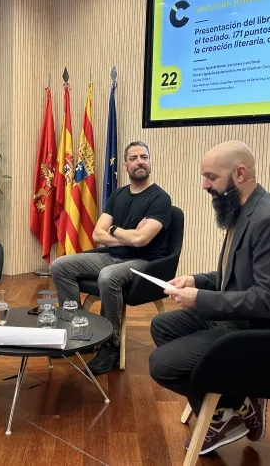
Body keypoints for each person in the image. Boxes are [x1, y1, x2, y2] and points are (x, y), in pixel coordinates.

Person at [148, 140, 270, 456]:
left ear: (239, 173)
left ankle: (229, 407)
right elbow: (235, 275)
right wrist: (197, 281)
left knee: (162, 365)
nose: (204, 185)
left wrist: (200, 299)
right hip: (243, 316)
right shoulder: (243, 209)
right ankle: (234, 406)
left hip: (264, 331)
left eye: (211, 177)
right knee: (162, 328)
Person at [50, 141, 172, 375]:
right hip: (111, 256)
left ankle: (110, 345)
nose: (140, 162)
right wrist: (126, 234)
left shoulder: (160, 199)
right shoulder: (119, 195)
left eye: (144, 157)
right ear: (125, 165)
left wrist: (114, 230)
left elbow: (141, 242)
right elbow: (98, 234)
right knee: (60, 266)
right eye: (134, 158)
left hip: (145, 263)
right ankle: (77, 331)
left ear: (150, 161)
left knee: (108, 277)